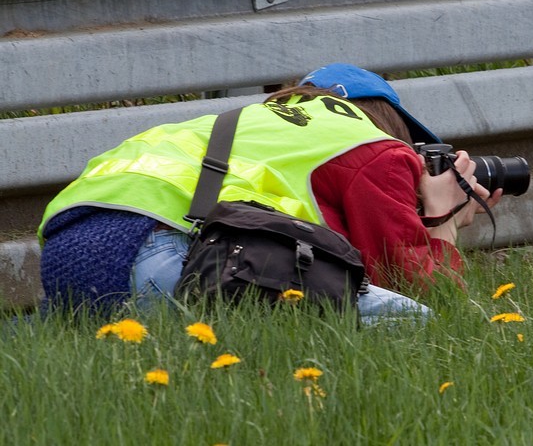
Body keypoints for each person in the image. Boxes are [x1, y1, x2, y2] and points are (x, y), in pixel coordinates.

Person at [38, 63, 502, 321]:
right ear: (389, 120)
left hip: (70, 253)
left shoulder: (252, 125)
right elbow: (422, 291)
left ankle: (47, 323)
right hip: (159, 252)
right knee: (415, 320)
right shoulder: (376, 147)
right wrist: (442, 218)